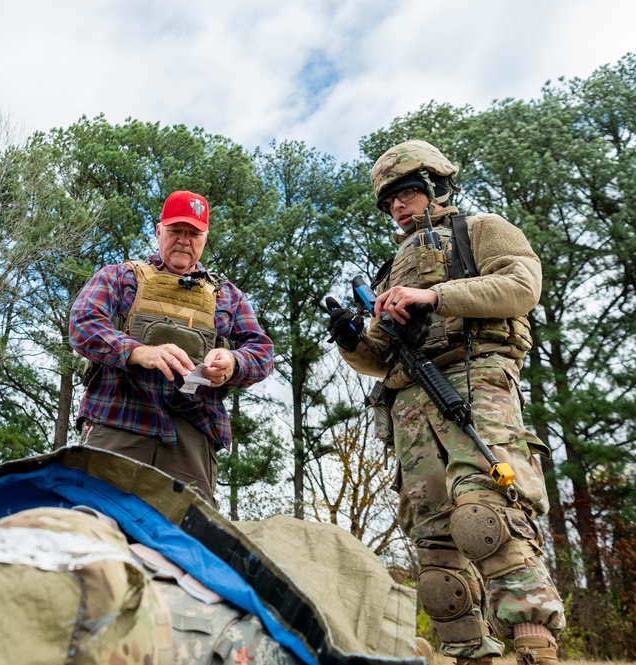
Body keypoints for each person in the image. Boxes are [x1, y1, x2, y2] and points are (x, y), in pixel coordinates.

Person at [327, 140, 564, 665]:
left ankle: (534, 646)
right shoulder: (392, 271)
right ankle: (466, 651)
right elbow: (379, 355)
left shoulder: (480, 230)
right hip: (408, 404)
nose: (397, 206)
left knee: (484, 515)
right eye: (389, 201)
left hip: (473, 379)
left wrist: (435, 296)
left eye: (405, 193)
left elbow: (521, 286)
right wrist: (351, 341)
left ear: (436, 185)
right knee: (433, 547)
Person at [69, 190, 273, 506]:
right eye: (176, 230)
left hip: (191, 436)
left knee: (185, 541)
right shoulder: (121, 277)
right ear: (158, 230)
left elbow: (261, 351)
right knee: (95, 530)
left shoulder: (228, 297)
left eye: (193, 233)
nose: (183, 240)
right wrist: (137, 351)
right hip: (118, 420)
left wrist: (233, 362)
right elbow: (83, 323)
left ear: (205, 238)